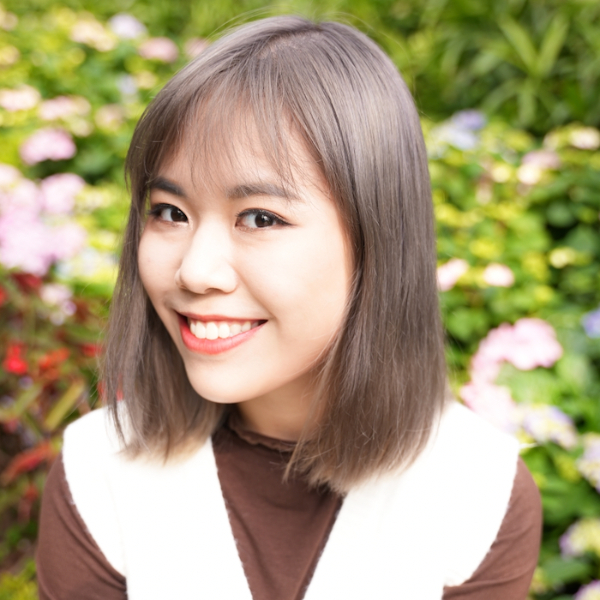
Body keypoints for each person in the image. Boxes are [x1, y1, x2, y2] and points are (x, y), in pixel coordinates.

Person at [36, 15, 542, 600]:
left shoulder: (476, 491)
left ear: (377, 240)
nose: (195, 270)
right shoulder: (99, 474)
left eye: (260, 218)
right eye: (170, 212)